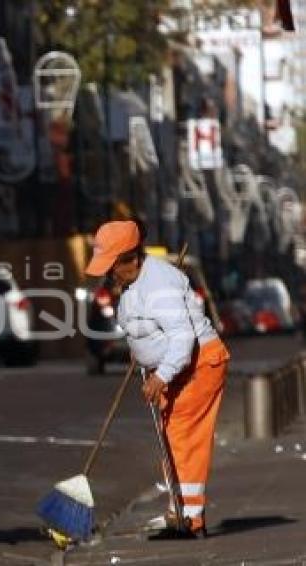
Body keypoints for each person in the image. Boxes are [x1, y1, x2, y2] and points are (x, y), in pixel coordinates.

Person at [85, 220, 230, 538]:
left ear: (130, 258)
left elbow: (182, 337)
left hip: (197, 363)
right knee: (171, 437)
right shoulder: (132, 283)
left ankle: (190, 518)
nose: (109, 274)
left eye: (112, 266)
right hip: (175, 366)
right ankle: (179, 509)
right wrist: (144, 355)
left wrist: (161, 375)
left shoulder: (159, 284)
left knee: (183, 437)